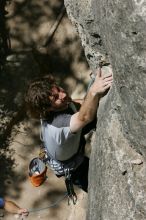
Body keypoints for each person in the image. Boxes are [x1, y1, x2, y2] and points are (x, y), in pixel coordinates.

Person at [25, 68, 113, 192]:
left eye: (59, 89)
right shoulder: (58, 124)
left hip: (71, 141)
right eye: (56, 98)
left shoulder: (57, 105)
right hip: (73, 166)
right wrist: (93, 91)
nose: (63, 94)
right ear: (48, 109)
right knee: (101, 188)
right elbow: (85, 117)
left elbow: (77, 104)